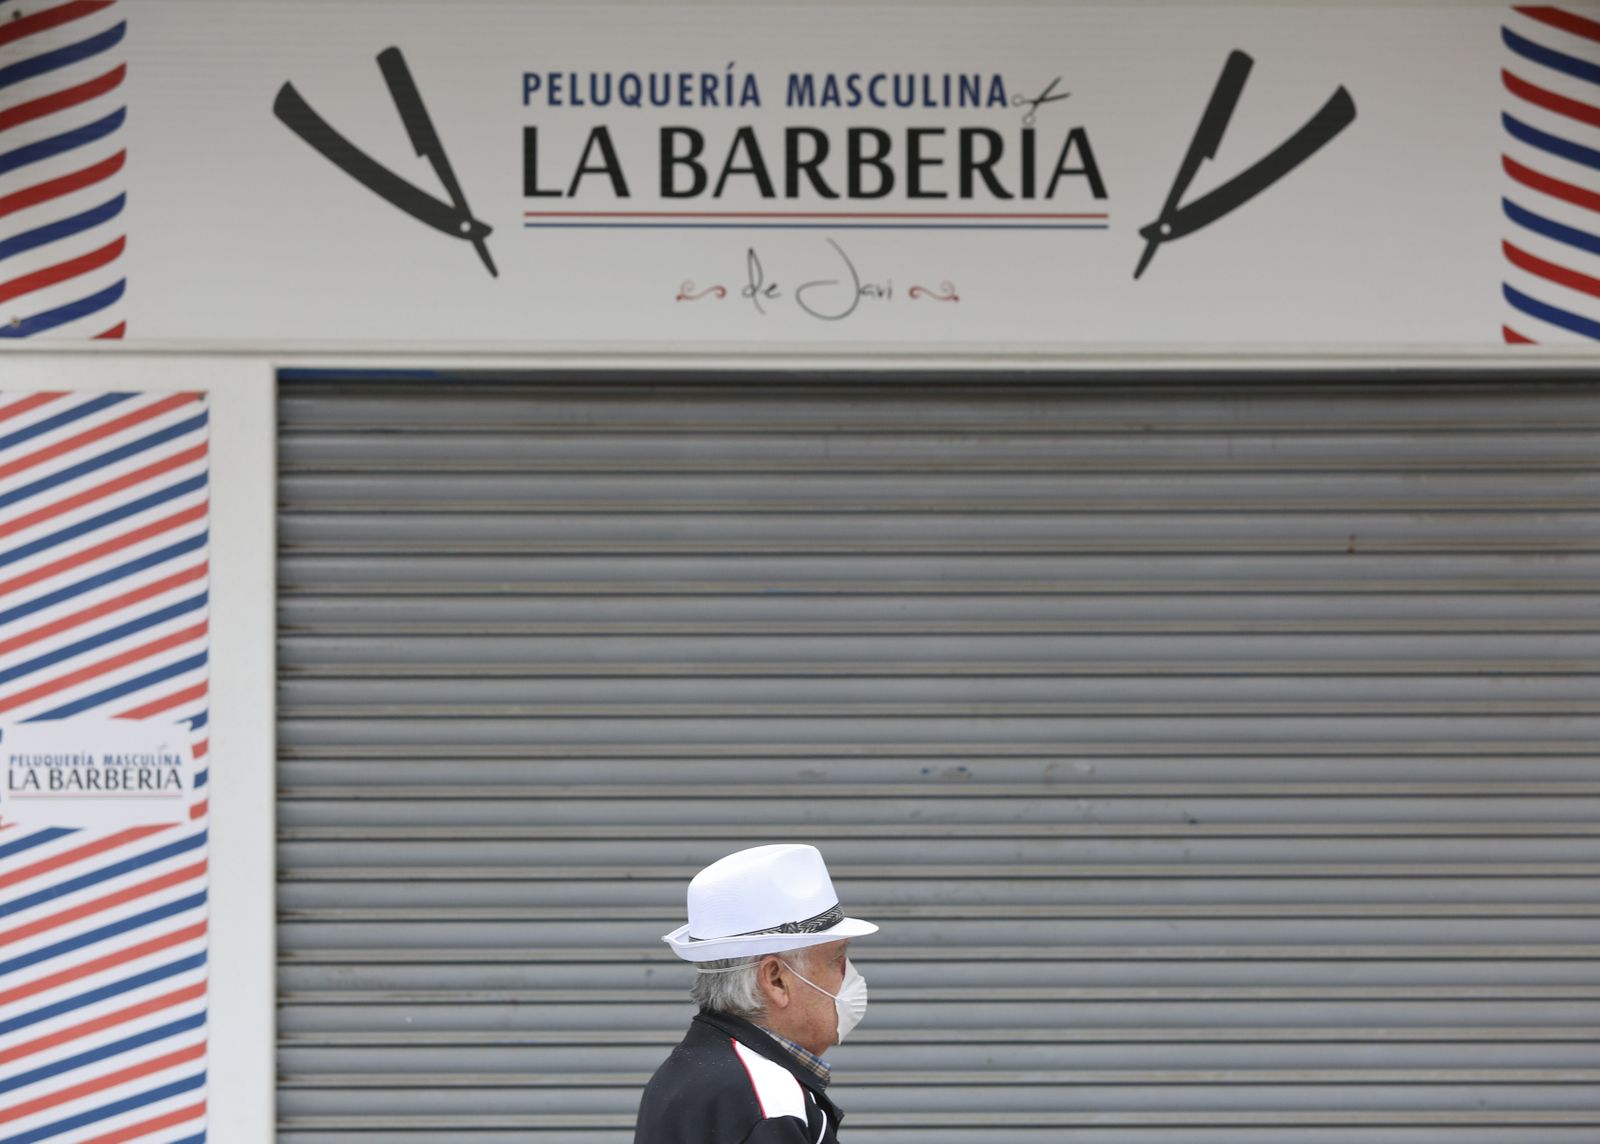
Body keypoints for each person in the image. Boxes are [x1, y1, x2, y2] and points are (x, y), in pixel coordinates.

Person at [634, 843, 878, 1144]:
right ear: (775, 979)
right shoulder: (771, 1099)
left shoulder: (681, 1073)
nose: (848, 975)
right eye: (836, 959)